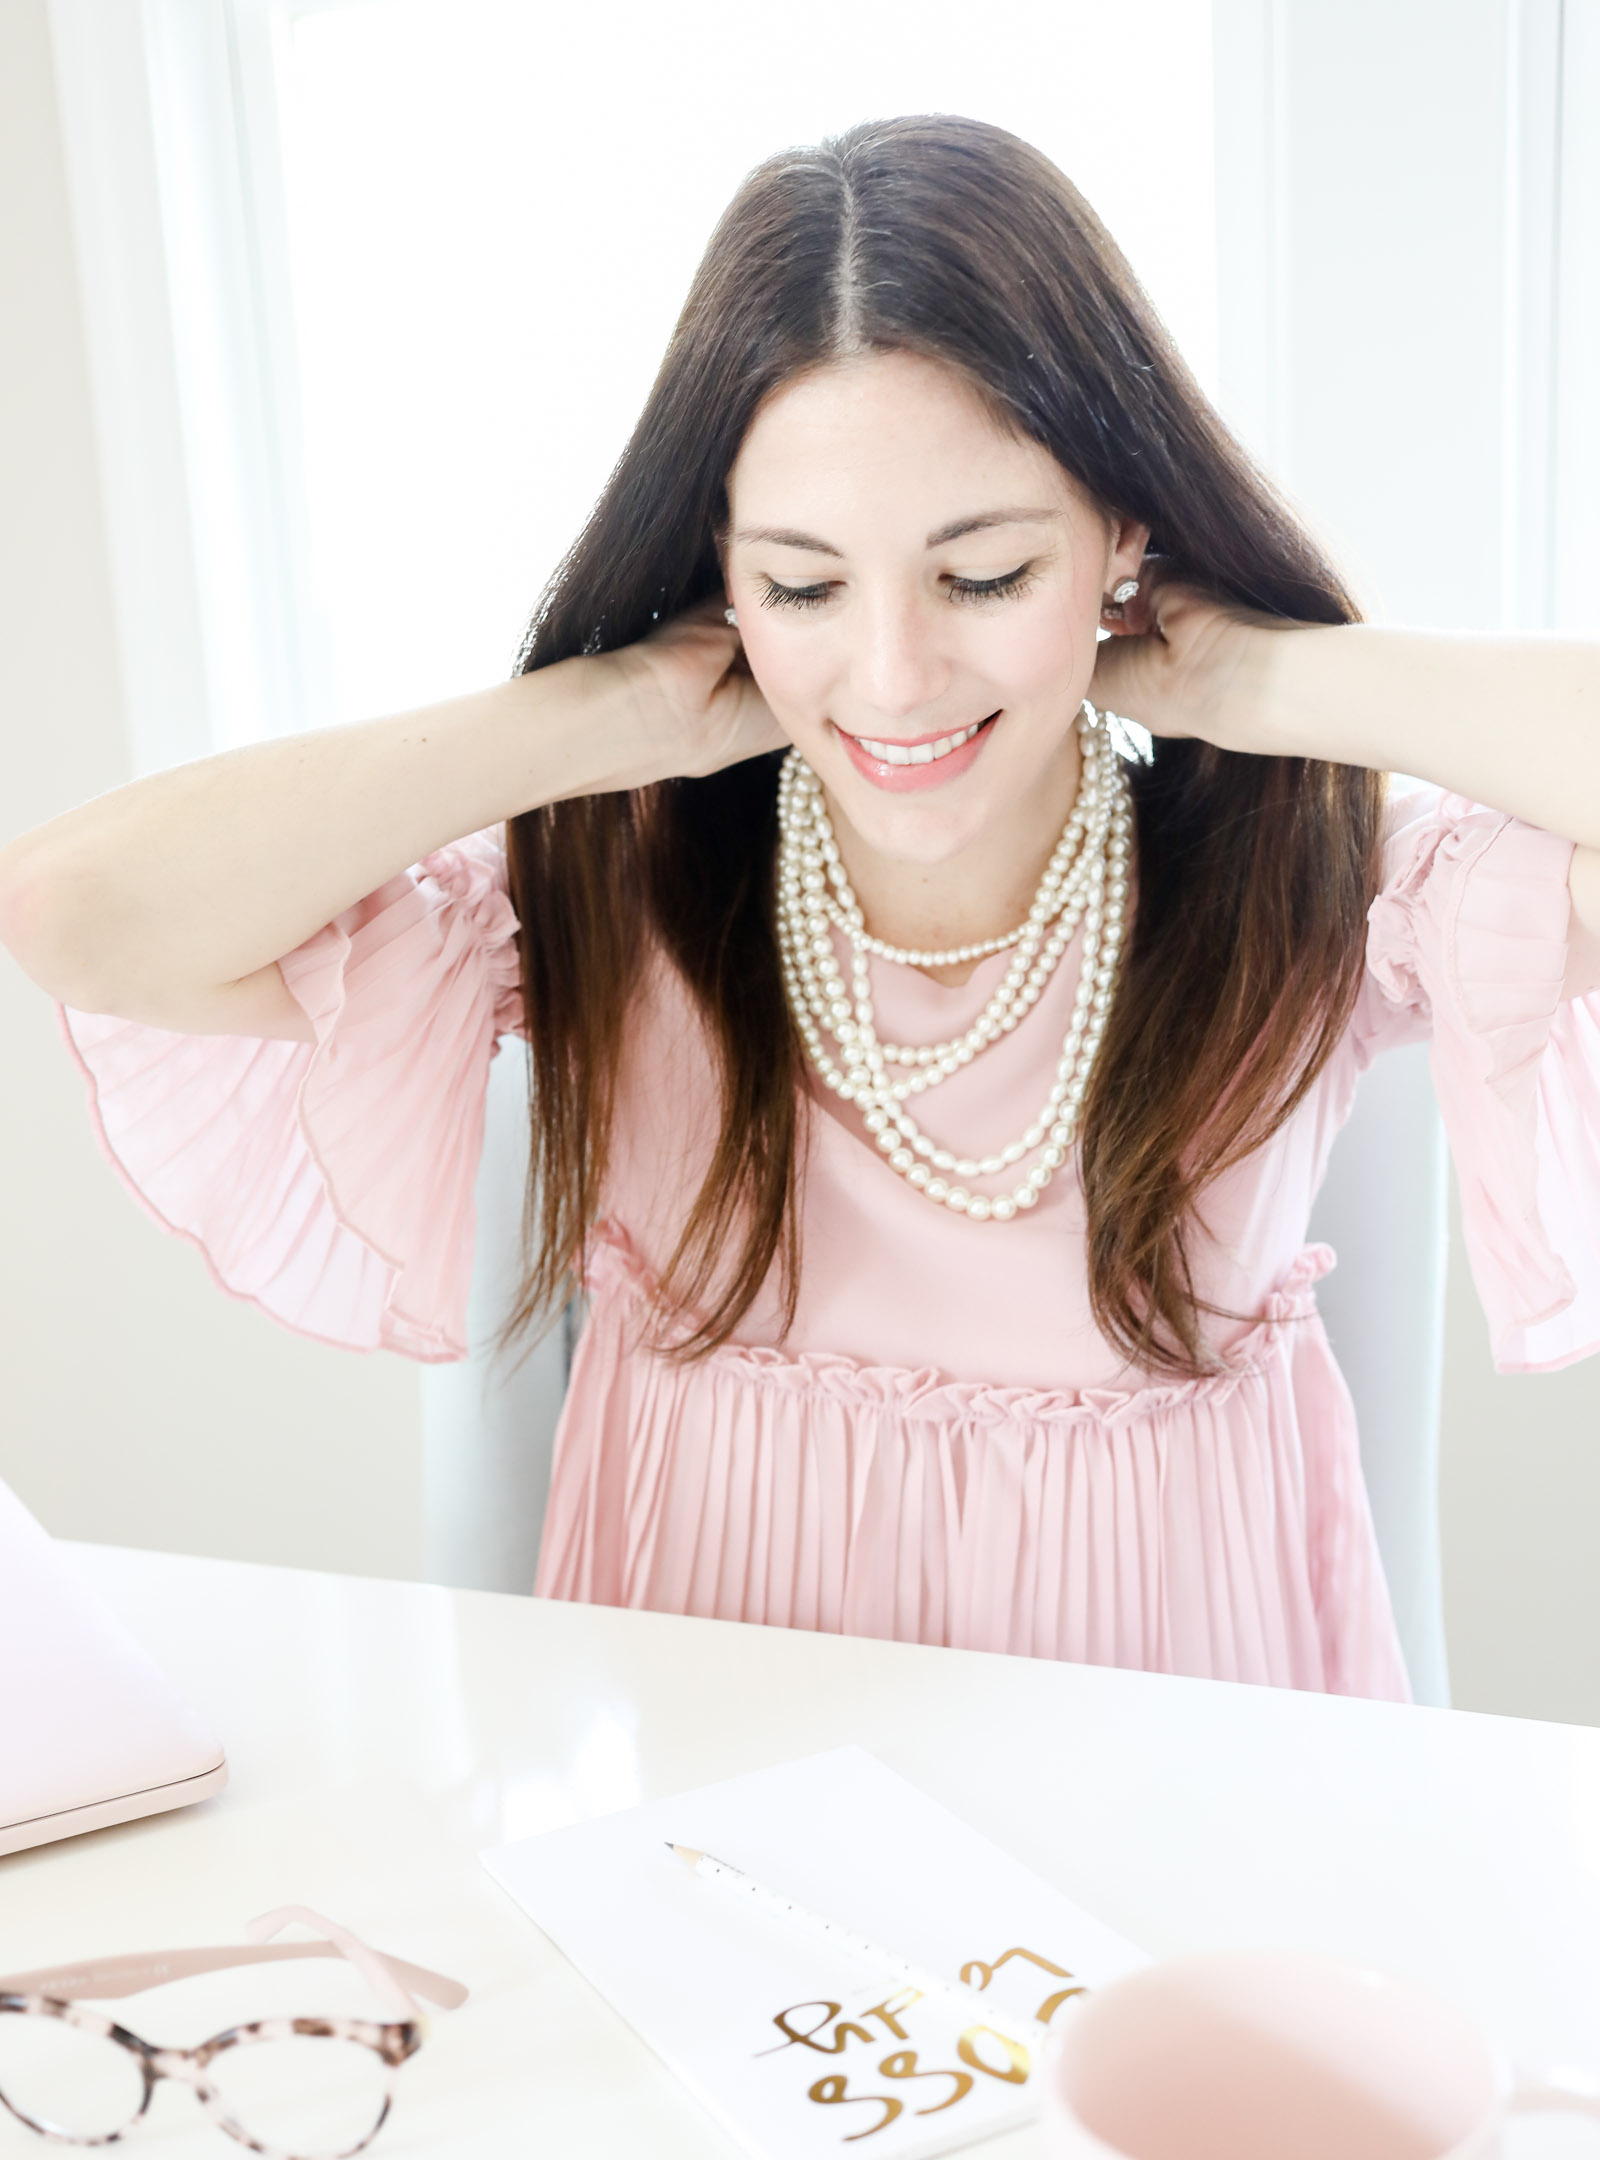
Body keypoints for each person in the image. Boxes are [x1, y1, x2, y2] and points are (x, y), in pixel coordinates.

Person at [4, 116, 1600, 1702]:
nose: (894, 677)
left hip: (1178, 1849)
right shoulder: (618, 901)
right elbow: (75, 912)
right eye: (805, 585)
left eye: (982, 577)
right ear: (719, 572)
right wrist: (603, 713)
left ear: (1125, 532)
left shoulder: (1301, 888)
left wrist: (1282, 672)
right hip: (738, 1862)